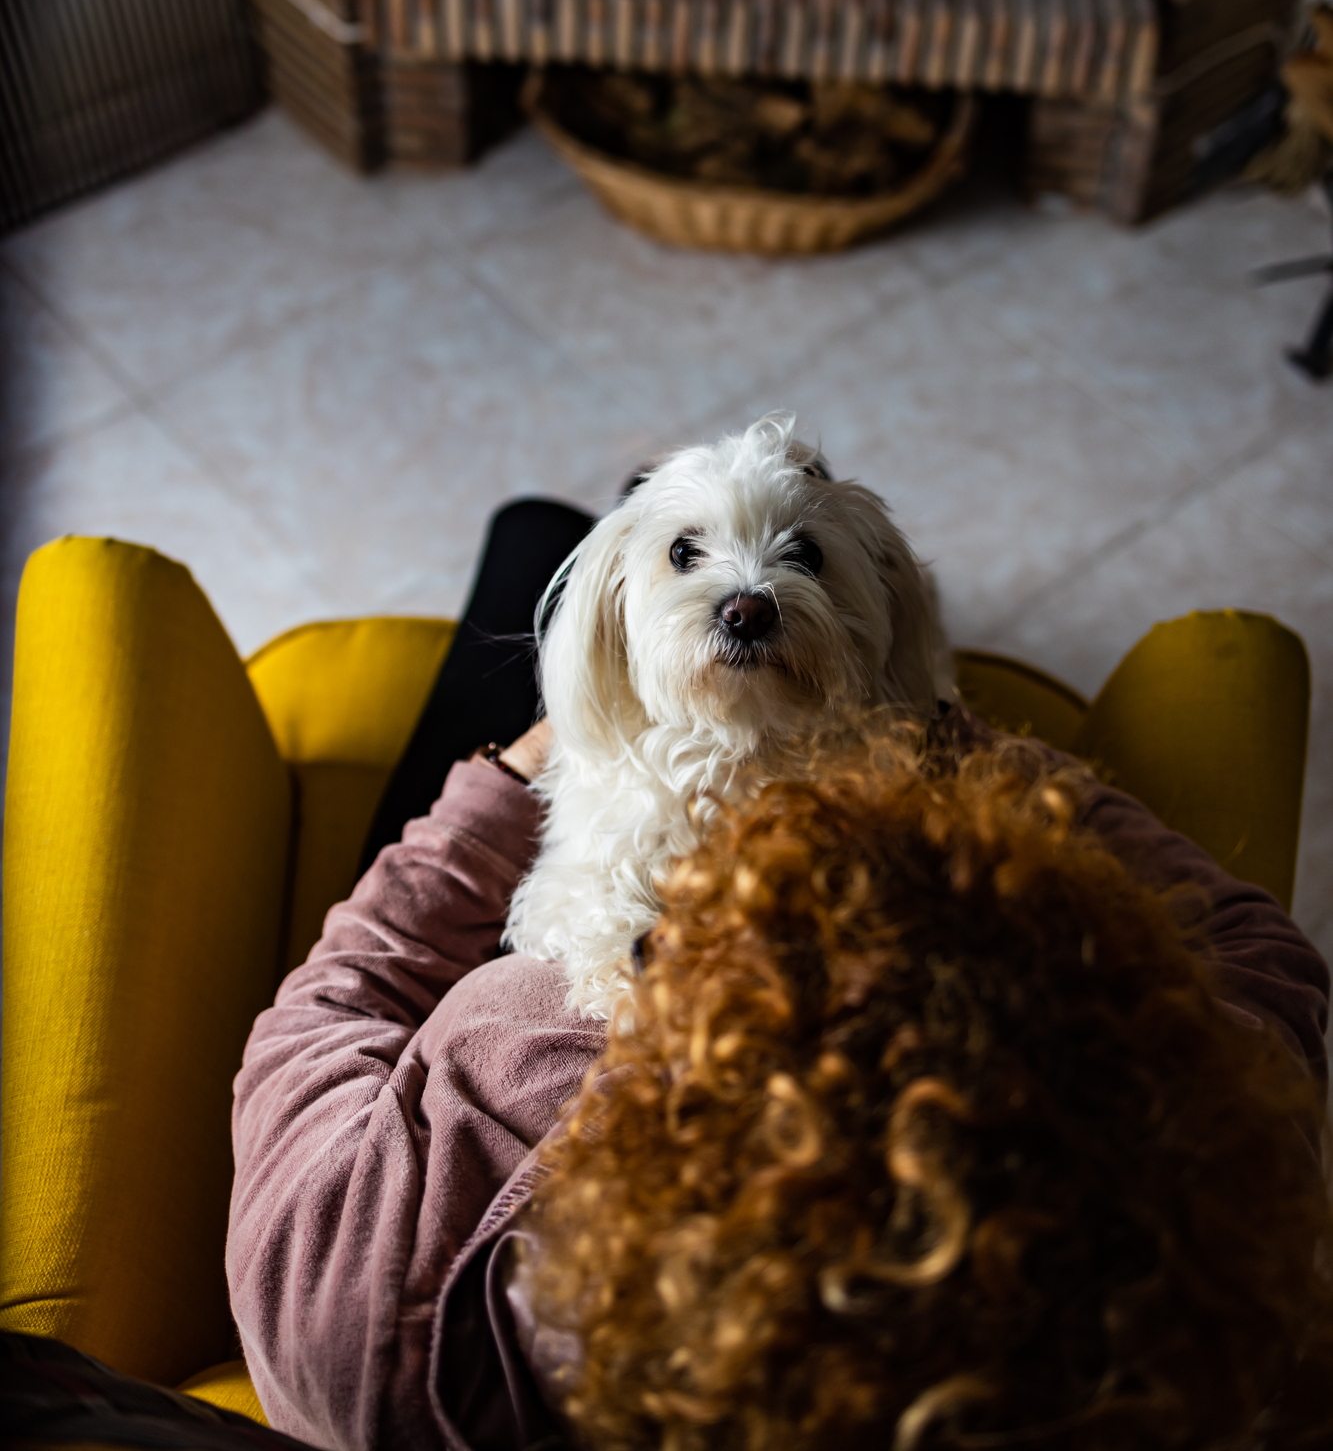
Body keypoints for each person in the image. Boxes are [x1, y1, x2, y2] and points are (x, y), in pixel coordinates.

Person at [226, 512, 1331, 1451]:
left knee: (534, 541)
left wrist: (514, 776)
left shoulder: (378, 1346)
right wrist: (951, 739)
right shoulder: (1145, 1251)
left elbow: (335, 1005)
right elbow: (1267, 968)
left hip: (476, 916)